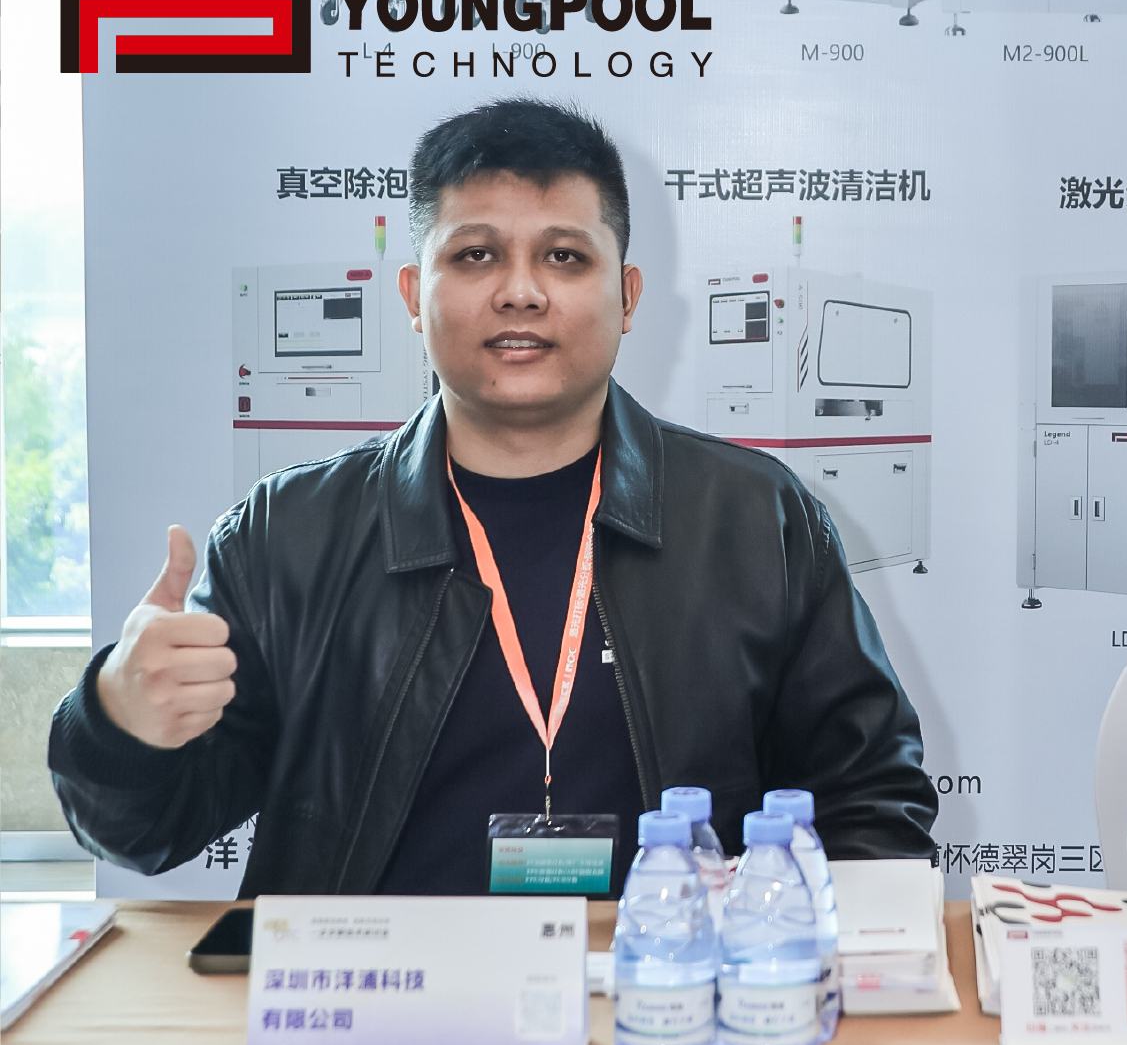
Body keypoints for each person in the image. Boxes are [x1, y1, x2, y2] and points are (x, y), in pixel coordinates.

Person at [49, 97, 938, 896]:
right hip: (371, 1005)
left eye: (564, 256)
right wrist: (120, 718)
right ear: (413, 294)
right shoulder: (288, 535)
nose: (520, 291)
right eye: (475, 255)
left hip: (660, 1000)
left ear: (627, 296)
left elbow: (872, 803)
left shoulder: (754, 520)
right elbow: (144, 832)